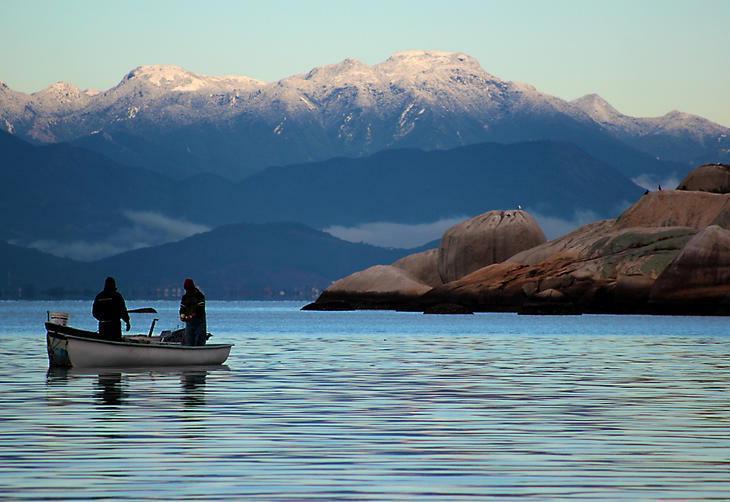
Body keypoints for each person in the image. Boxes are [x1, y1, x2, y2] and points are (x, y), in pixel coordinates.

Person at [180, 278, 206, 346]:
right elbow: (182, 308)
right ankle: (189, 352)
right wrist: (182, 315)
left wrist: (190, 316)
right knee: (189, 340)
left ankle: (199, 352)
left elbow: (200, 310)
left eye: (188, 289)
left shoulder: (199, 296)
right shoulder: (185, 297)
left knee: (199, 340)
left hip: (199, 321)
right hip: (189, 322)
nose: (187, 290)